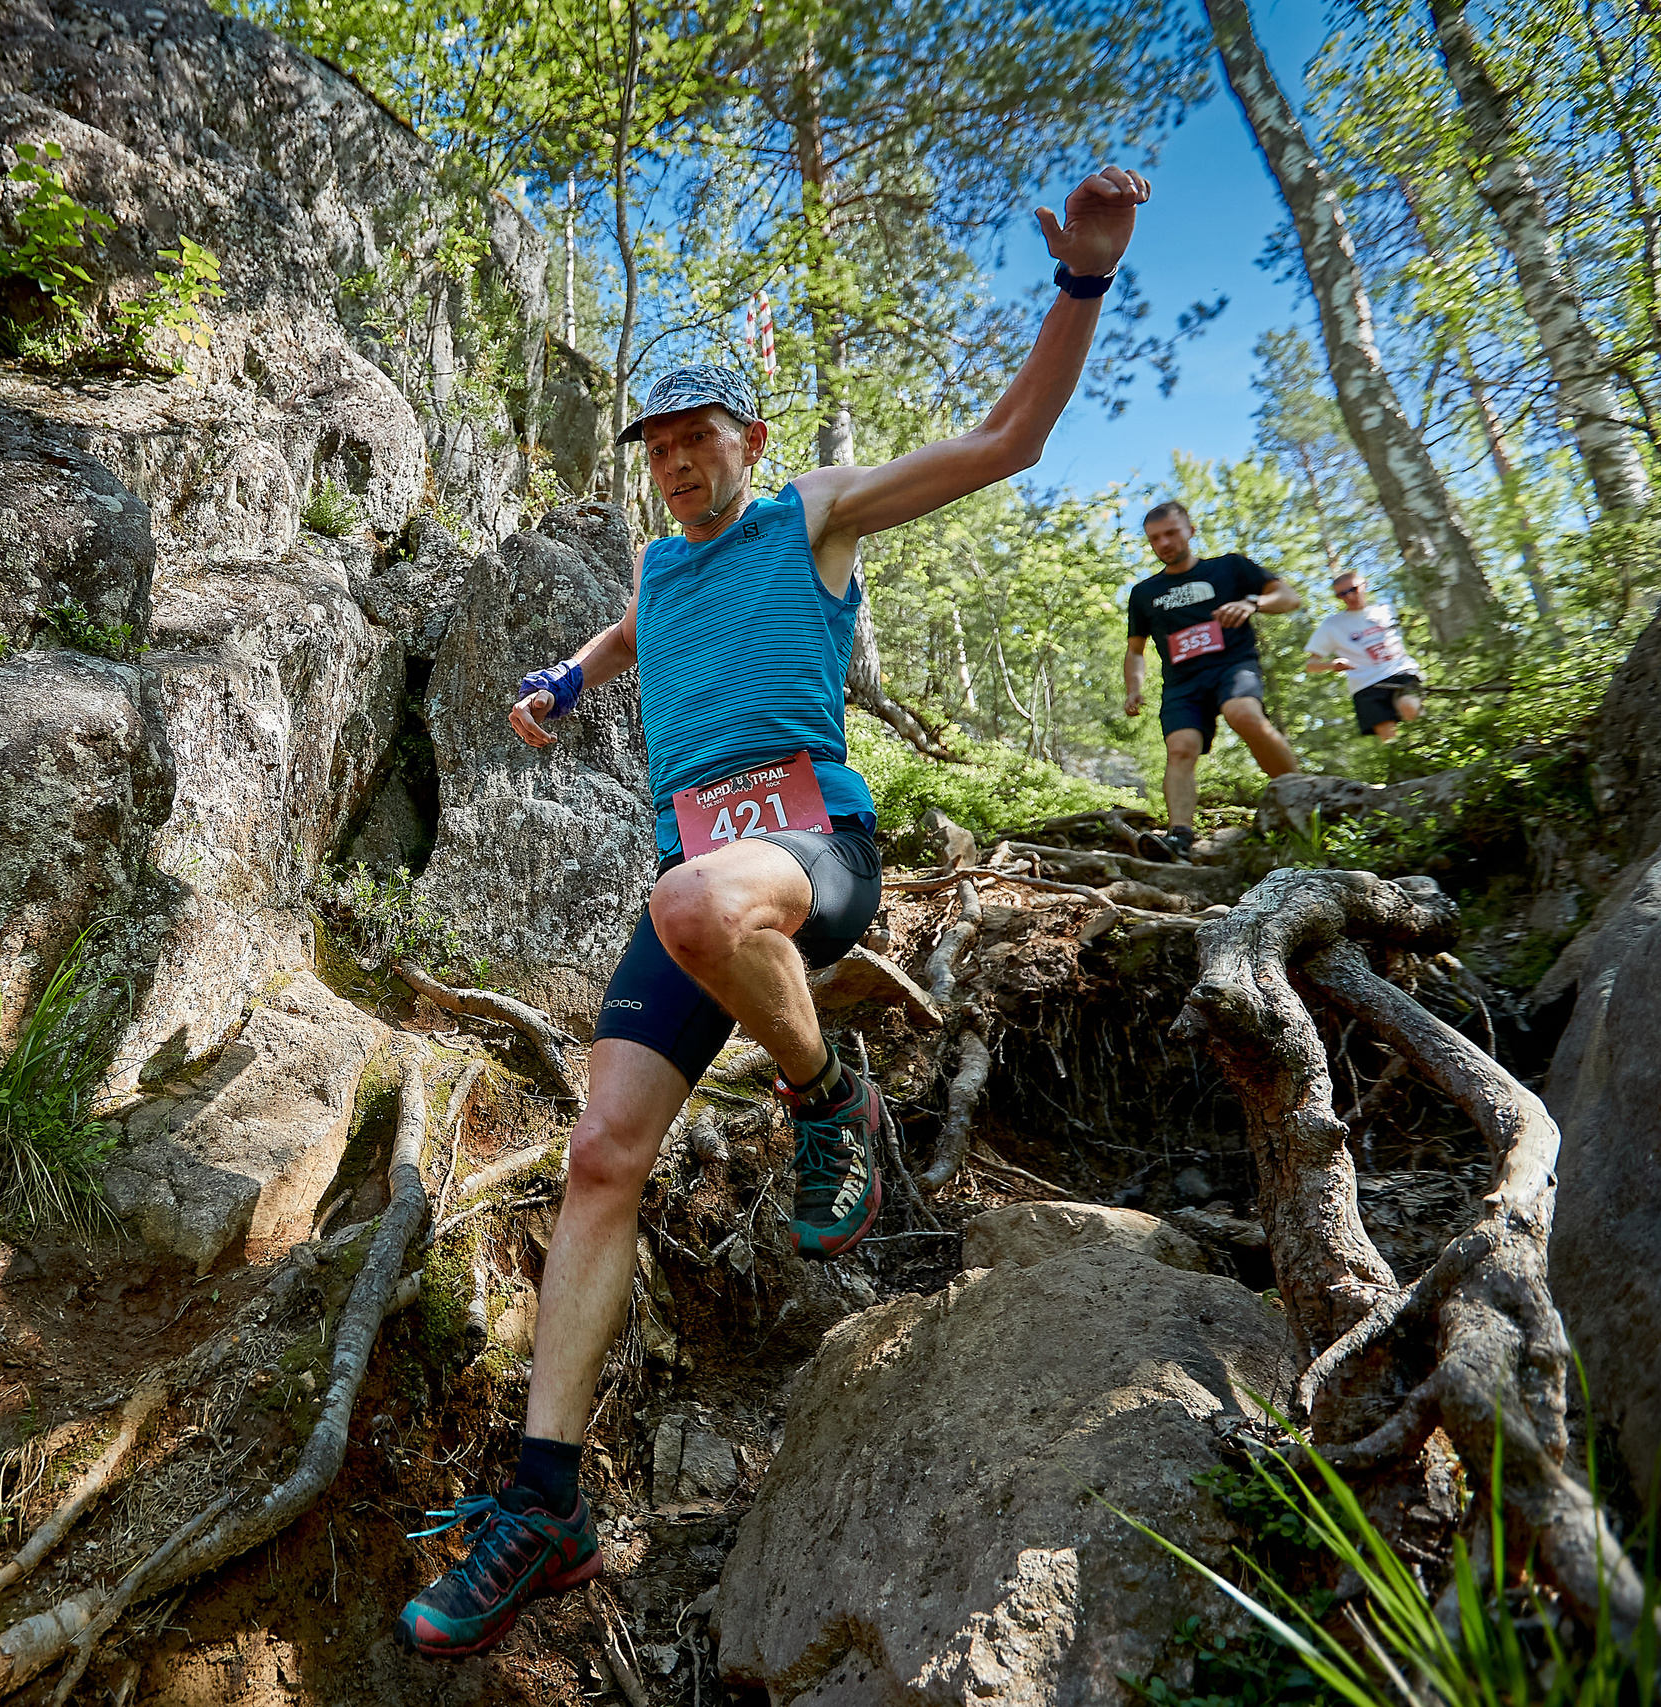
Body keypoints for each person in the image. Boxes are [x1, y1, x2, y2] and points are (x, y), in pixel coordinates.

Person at [394, 165, 1155, 1662]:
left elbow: (1012, 439)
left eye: (700, 440)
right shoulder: (659, 563)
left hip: (811, 844)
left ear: (751, 440)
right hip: (699, 898)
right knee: (603, 1149)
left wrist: (1084, 281)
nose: (677, 464)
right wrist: (570, 676)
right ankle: (544, 1502)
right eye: (659, 448)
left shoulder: (816, 514)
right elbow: (640, 620)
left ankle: (828, 1088)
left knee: (689, 900)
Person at [1121, 501, 1301, 860]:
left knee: (1243, 713)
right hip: (1182, 684)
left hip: (1233, 666)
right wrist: (1133, 688)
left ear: (1191, 530)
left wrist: (1253, 603)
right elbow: (1136, 650)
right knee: (1181, 748)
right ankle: (1179, 838)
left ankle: (1303, 799)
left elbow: (1289, 598)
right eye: (1155, 538)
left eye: (1172, 532)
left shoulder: (1230, 568)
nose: (1165, 543)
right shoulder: (1144, 593)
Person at [1303, 570, 1423, 741]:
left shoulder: (1387, 609)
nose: (1350, 596)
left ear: (1364, 585)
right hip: (1366, 686)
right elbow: (1310, 665)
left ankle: (1433, 745)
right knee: (1389, 738)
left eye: (1353, 589)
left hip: (1401, 673)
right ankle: (1412, 763)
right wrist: (1332, 665)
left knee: (1409, 706)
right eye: (1342, 594)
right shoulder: (1332, 625)